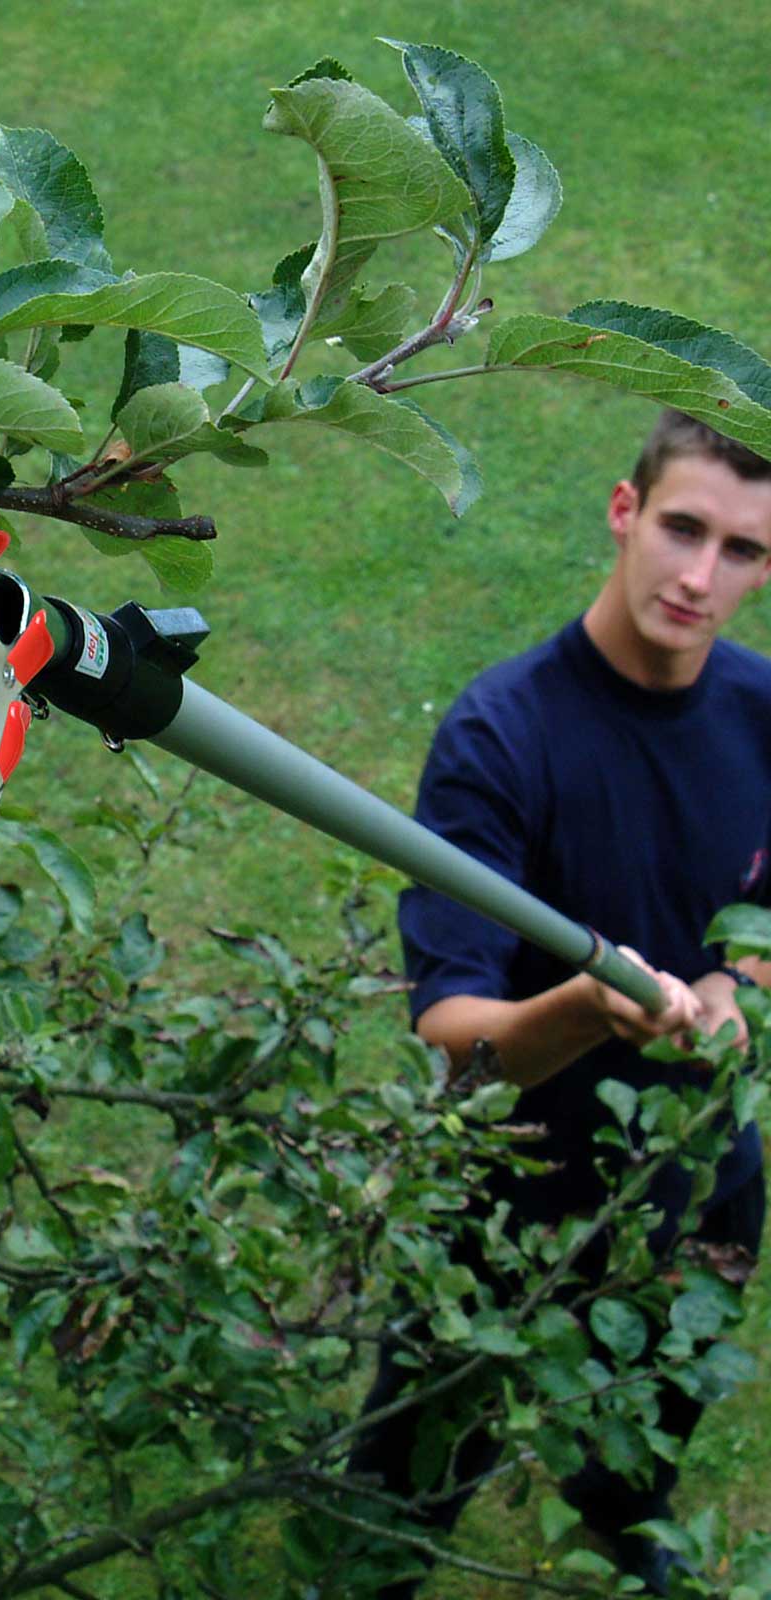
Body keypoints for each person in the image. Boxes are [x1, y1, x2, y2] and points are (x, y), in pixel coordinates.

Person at [348, 410, 771, 1597]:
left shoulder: (760, 714)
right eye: (681, 527)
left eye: (740, 549)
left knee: (637, 1460)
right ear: (622, 510)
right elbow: (452, 1045)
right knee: (405, 1477)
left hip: (698, 1185)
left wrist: (736, 982)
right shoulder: (501, 737)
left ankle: (625, 1520)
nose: (699, 576)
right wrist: (587, 1005)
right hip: (508, 1202)